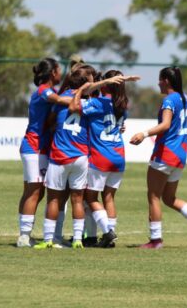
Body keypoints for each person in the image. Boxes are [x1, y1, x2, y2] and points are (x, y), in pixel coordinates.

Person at [34, 66, 128, 249]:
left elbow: (64, 113)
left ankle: (49, 239)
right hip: (89, 156)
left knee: (57, 199)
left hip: (66, 155)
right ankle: (79, 239)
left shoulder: (85, 103)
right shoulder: (118, 105)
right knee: (85, 199)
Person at [130, 66, 187, 249]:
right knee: (169, 198)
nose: (158, 83)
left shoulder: (169, 100)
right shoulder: (185, 98)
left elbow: (165, 125)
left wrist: (144, 134)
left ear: (166, 80)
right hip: (181, 155)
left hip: (166, 153)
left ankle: (156, 240)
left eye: (160, 79)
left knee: (153, 196)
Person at [69, 69, 139, 248]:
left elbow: (76, 106)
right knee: (108, 198)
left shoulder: (98, 103)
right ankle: (110, 238)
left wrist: (83, 89)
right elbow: (119, 125)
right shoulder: (123, 105)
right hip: (118, 156)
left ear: (105, 84)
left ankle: (108, 232)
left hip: (101, 156)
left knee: (91, 198)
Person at [17, 57, 70, 248]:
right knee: (34, 192)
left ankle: (25, 234)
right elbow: (60, 99)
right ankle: (24, 237)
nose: (60, 73)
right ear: (52, 73)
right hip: (34, 148)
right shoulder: (43, 91)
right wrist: (82, 95)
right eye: (58, 70)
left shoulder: (51, 91)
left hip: (39, 148)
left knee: (34, 193)